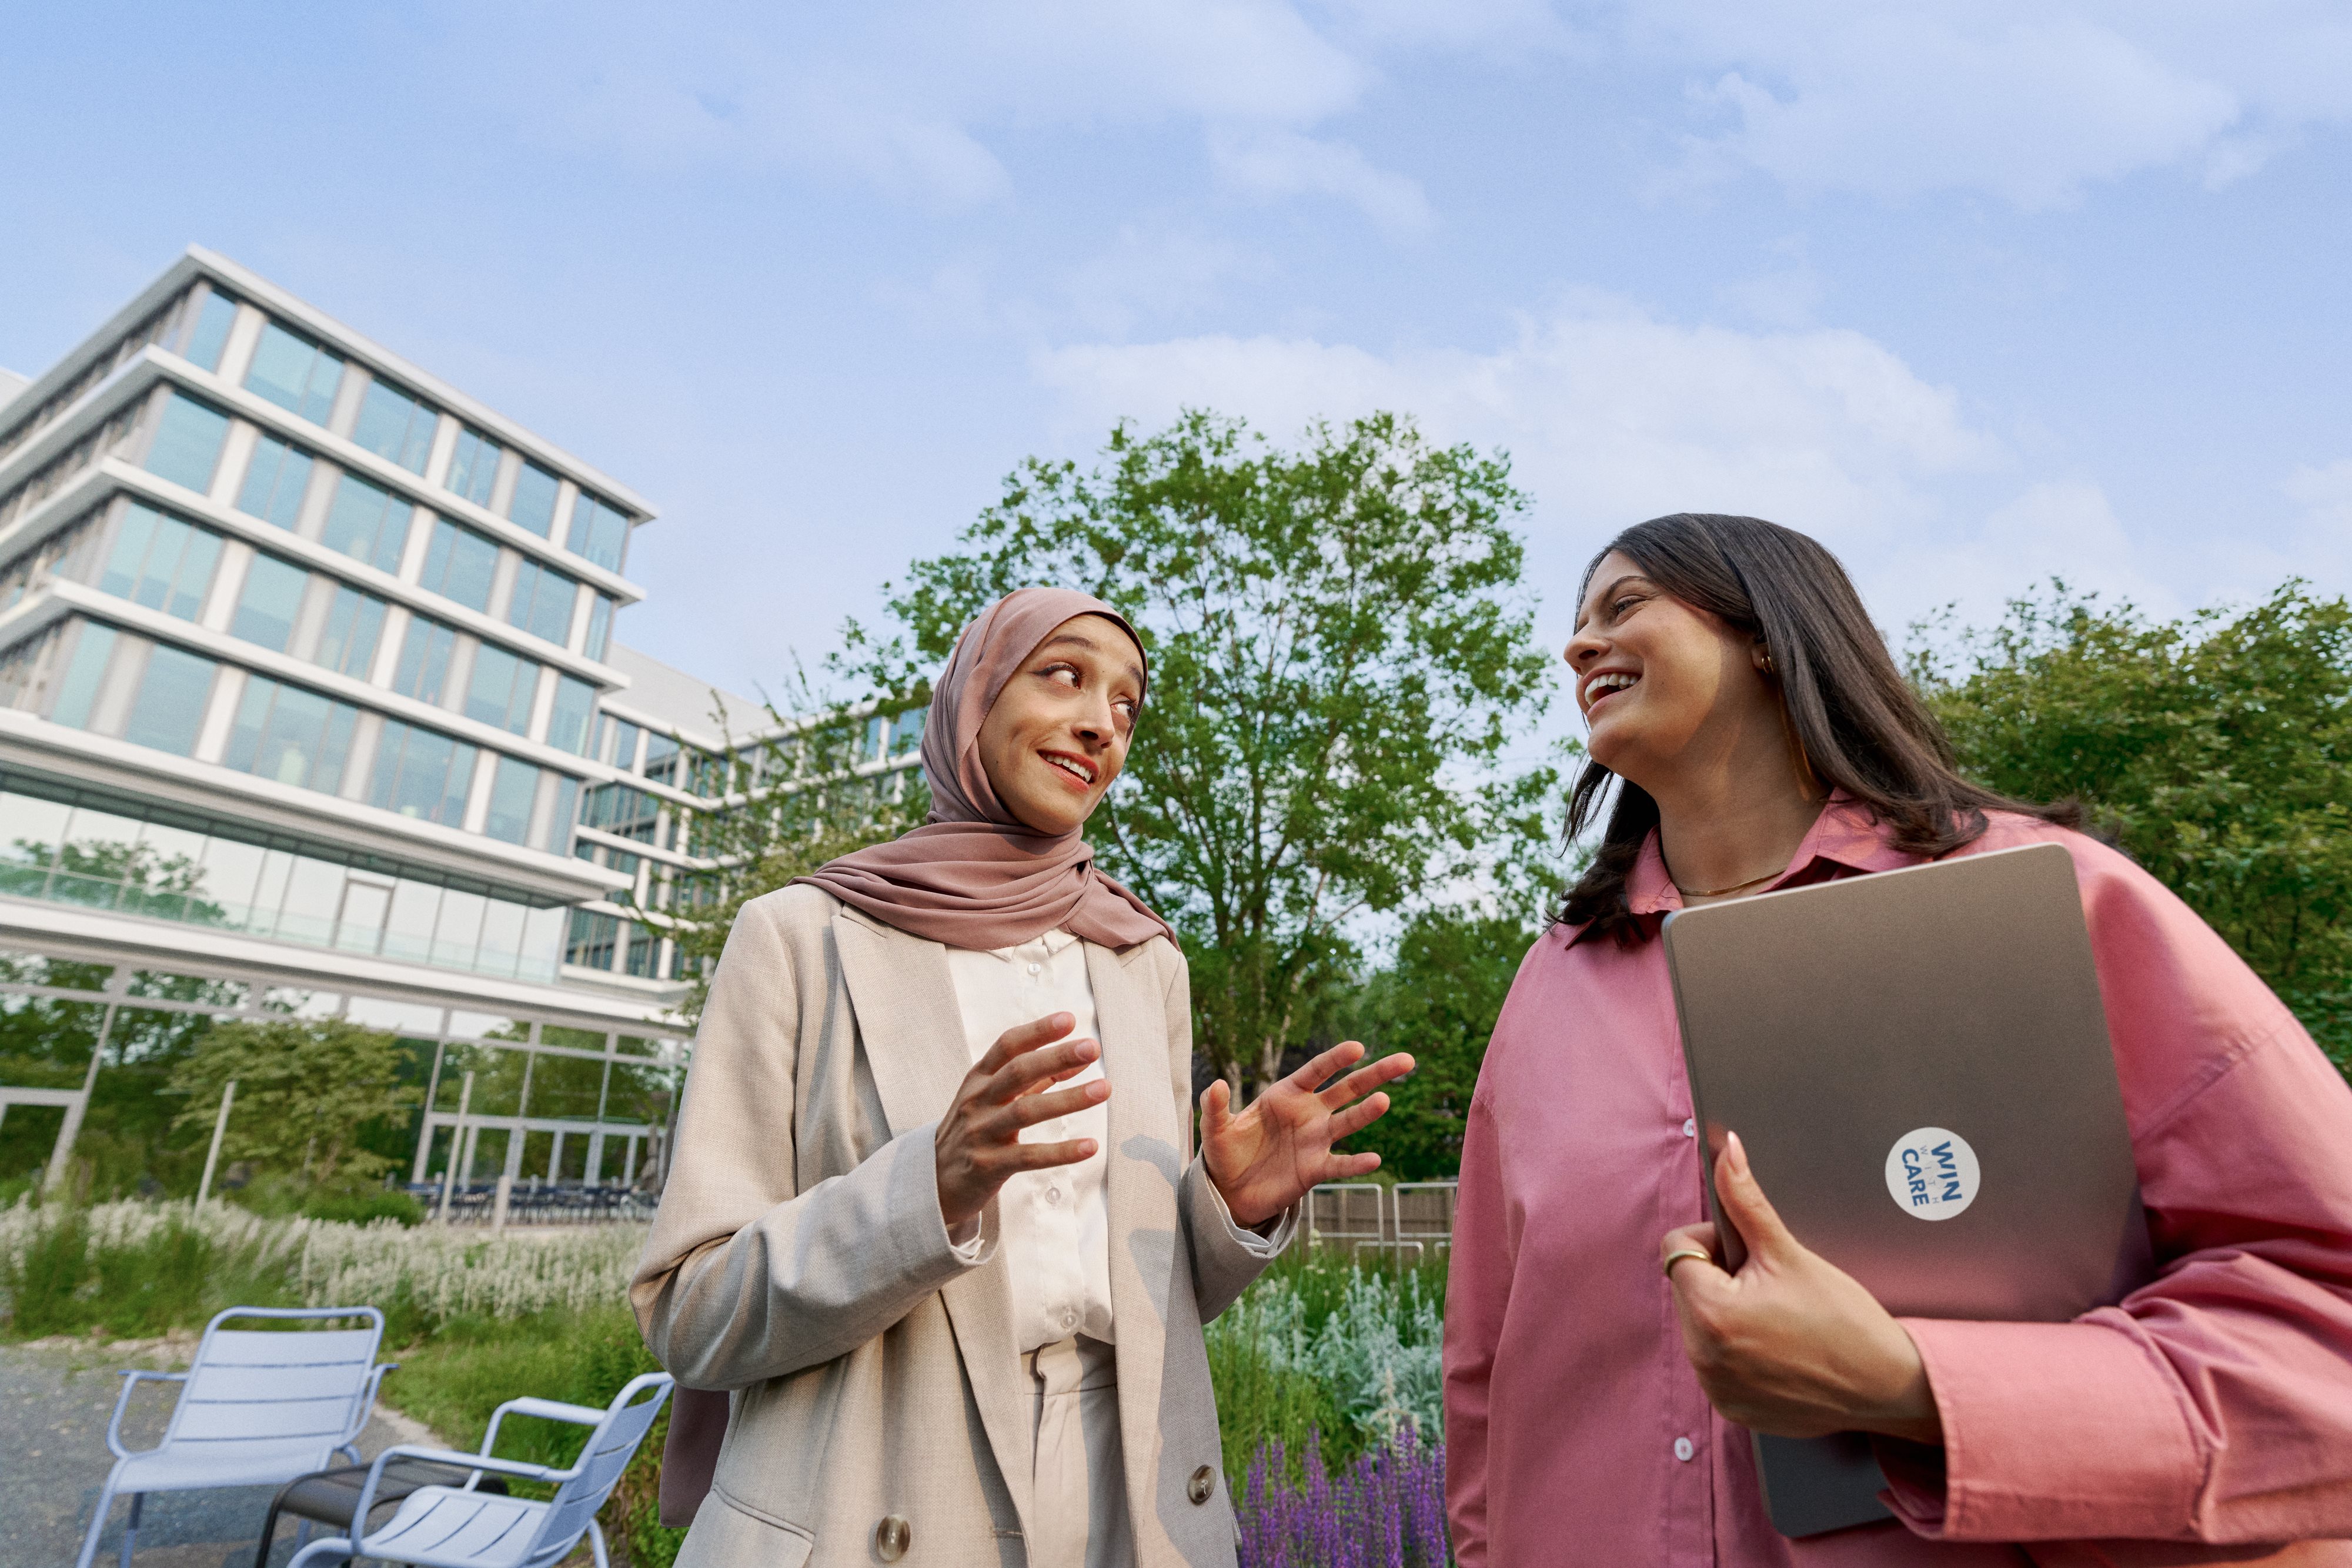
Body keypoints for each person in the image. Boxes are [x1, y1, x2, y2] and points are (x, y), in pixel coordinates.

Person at [1442, 514, 2352, 1565]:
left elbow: (2325, 1319)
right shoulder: (1552, 981)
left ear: (1771, 634)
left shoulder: (2044, 907)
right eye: (1575, 623)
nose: (1579, 645)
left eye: (1625, 604)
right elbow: (1485, 1365)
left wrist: (1915, 1387)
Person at [633, 587, 1413, 1568]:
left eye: (1128, 706)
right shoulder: (802, 936)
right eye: (1065, 676)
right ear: (976, 698)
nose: (1102, 723)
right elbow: (690, 1314)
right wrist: (930, 1191)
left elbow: (1146, 1303)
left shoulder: (1142, 960)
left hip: (1130, 1498)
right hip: (874, 1494)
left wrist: (1226, 1214)